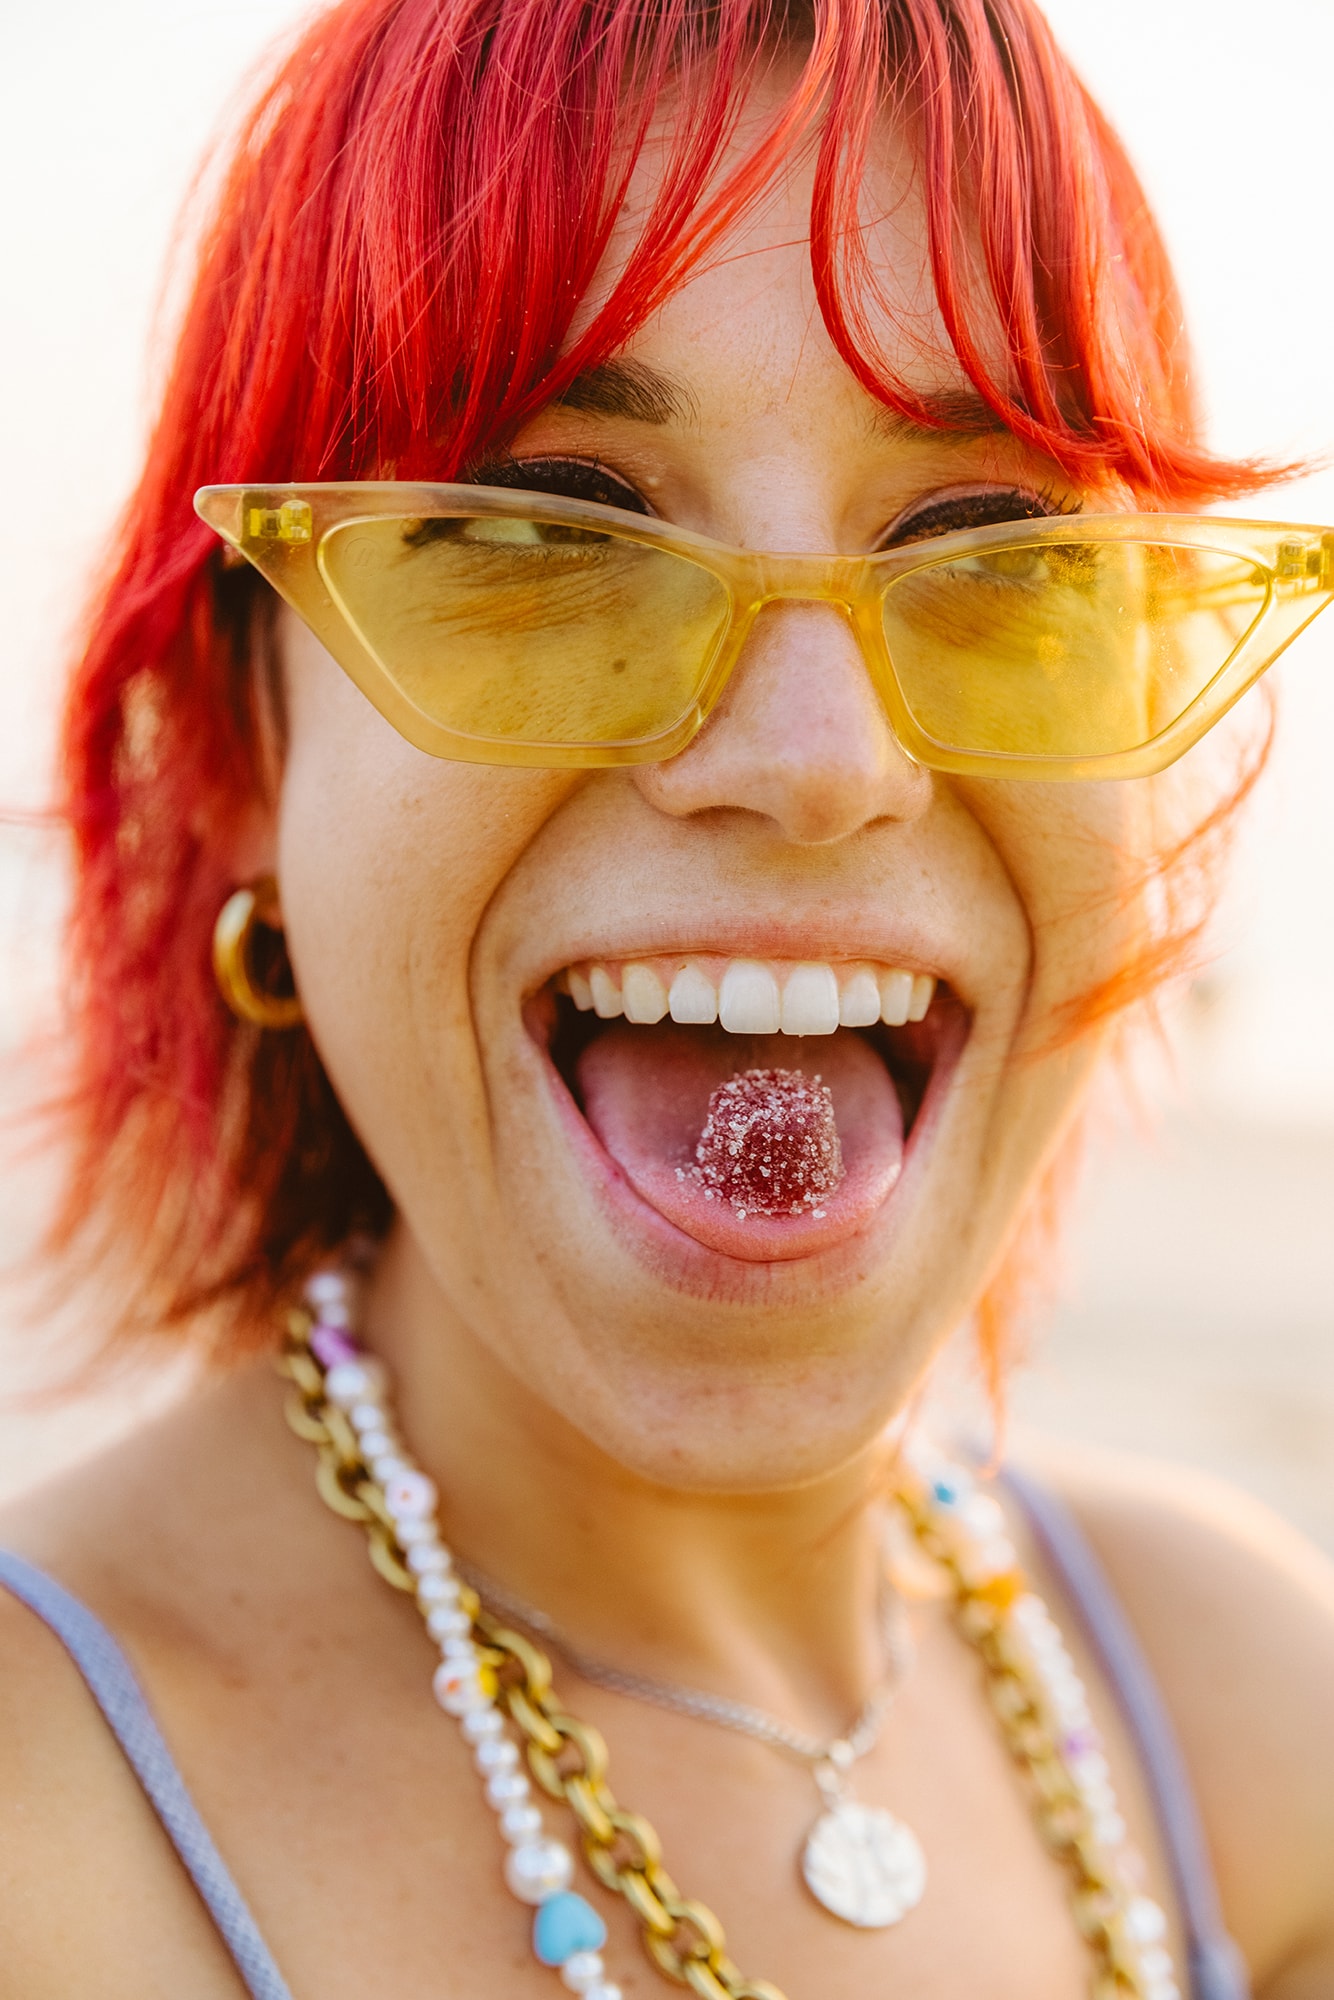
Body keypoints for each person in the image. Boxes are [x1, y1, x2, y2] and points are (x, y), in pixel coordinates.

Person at [1, 0, 1331, 1994]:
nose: (818, 758)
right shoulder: (53, 1828)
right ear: (234, 759)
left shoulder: (1247, 1725)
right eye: (555, 531)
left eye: (987, 550)